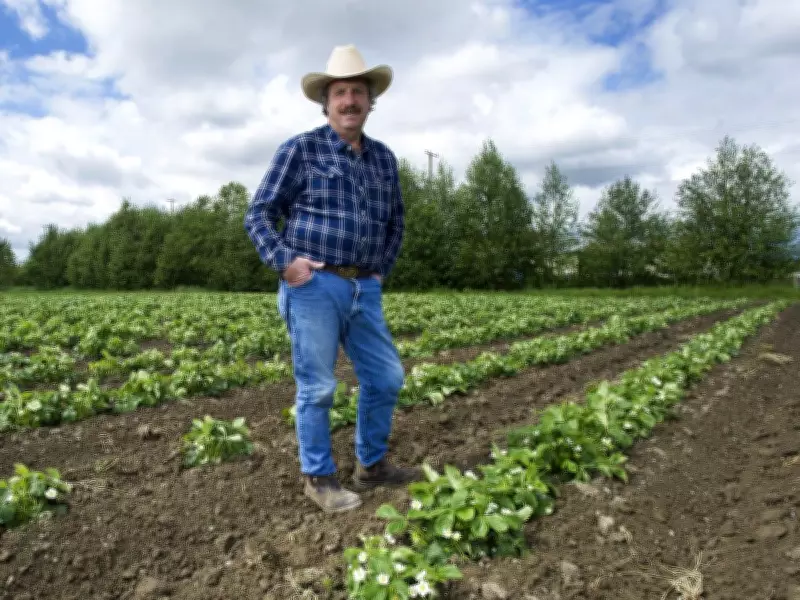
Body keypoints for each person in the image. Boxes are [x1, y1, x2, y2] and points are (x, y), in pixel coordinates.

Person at [243, 44, 421, 513]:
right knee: (318, 387)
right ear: (326, 102)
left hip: (364, 286)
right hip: (314, 286)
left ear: (369, 101)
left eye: (358, 92)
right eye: (340, 92)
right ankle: (319, 478)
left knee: (386, 377)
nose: (349, 101)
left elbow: (396, 222)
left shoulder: (384, 158)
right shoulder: (301, 149)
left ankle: (372, 465)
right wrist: (284, 260)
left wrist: (380, 268)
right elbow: (259, 212)